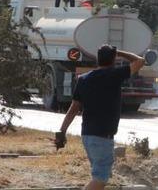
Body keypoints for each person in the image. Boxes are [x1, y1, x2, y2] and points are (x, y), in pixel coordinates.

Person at [55, 45, 145, 190]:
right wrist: (120, 52)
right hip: (102, 138)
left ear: (98, 59)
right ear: (114, 59)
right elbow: (140, 61)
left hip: (87, 136)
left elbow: (73, 109)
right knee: (100, 179)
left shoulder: (83, 80)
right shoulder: (115, 75)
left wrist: (62, 131)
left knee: (99, 176)